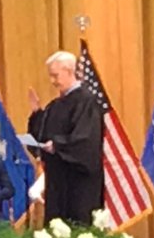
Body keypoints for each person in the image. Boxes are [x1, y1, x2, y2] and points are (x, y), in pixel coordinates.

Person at [26, 51, 103, 224]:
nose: (52, 81)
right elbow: (42, 136)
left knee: (78, 229)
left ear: (69, 71)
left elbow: (85, 140)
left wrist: (58, 146)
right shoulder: (55, 105)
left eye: (55, 75)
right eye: (51, 76)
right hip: (57, 181)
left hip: (78, 183)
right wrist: (37, 113)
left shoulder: (86, 101)